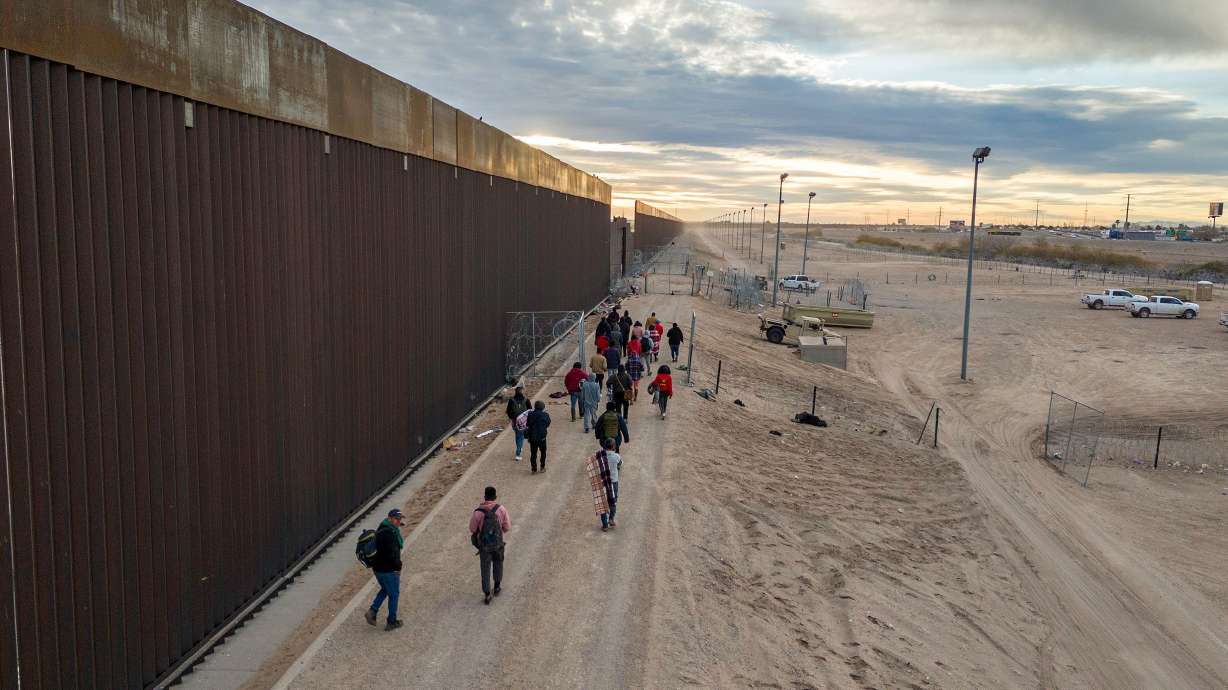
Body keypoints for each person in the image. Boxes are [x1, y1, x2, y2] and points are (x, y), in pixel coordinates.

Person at [365, 508, 406, 630]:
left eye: (400, 519)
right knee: (394, 594)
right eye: (397, 519)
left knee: (386, 589)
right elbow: (393, 554)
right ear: (390, 518)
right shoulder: (390, 534)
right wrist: (398, 568)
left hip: (377, 569)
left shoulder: (382, 528)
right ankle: (391, 621)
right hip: (388, 570)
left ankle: (372, 611)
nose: (399, 521)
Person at [470, 486, 511, 605]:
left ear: (485, 497)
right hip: (498, 544)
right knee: (498, 563)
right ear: (495, 497)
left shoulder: (478, 512)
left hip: (484, 546)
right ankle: (497, 586)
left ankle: (487, 593)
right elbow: (507, 527)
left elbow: (472, 529)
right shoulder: (501, 509)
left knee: (485, 568)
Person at [586, 439, 622, 531]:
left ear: (604, 446)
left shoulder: (599, 456)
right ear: (613, 447)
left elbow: (591, 462)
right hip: (613, 482)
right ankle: (611, 518)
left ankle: (605, 524)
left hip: (602, 482)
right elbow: (620, 464)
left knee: (603, 502)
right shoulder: (616, 456)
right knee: (613, 501)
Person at [505, 386, 531, 461]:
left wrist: (512, 417)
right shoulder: (526, 400)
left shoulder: (511, 400)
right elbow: (530, 410)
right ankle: (518, 453)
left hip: (514, 421)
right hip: (524, 422)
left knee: (518, 434)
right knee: (521, 436)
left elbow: (508, 411)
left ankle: (519, 447)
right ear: (522, 392)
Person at [525, 400, 551, 473]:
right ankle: (542, 467)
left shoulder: (530, 414)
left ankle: (534, 469)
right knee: (543, 452)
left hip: (532, 437)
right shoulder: (545, 414)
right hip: (542, 437)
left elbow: (527, 424)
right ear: (543, 407)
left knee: (533, 454)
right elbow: (548, 423)